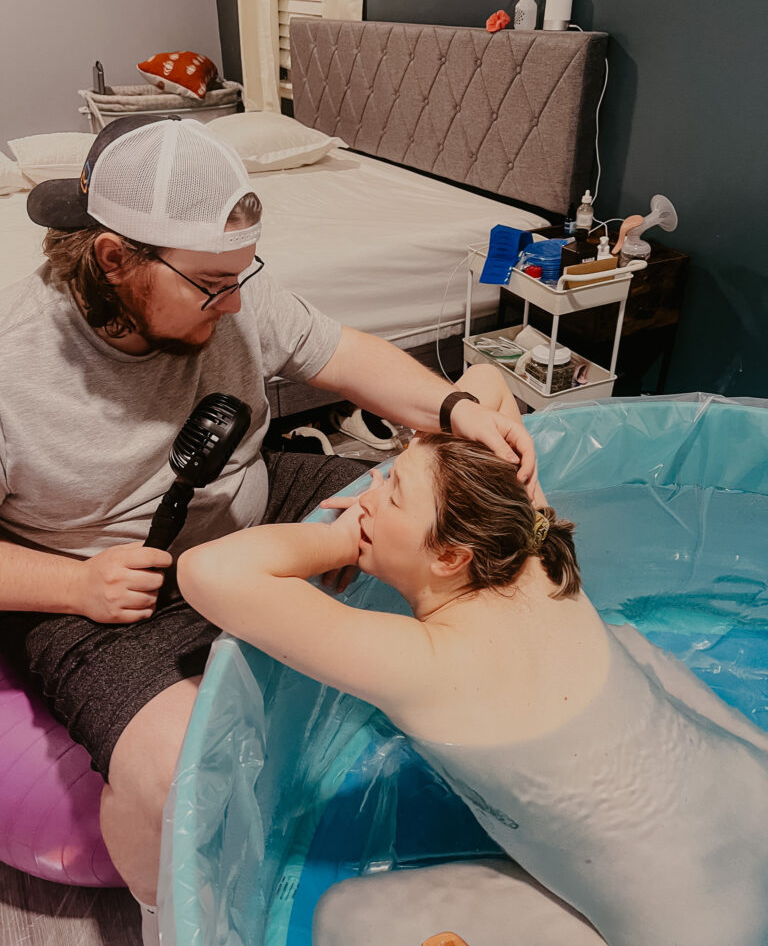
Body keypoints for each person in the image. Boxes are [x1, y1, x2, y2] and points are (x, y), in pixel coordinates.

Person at [0, 115, 537, 940]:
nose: (238, 301)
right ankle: (165, 916)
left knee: (455, 519)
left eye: (242, 272)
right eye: (212, 284)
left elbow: (346, 353)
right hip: (105, 591)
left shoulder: (229, 293)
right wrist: (71, 583)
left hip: (254, 497)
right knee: (182, 768)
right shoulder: (14, 363)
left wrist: (460, 407)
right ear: (114, 259)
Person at [178, 364, 768, 946]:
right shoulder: (534, 545)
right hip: (751, 794)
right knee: (629, 645)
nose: (366, 496)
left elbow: (206, 570)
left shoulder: (429, 663)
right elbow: (487, 384)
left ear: (450, 557)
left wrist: (332, 541)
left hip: (692, 931)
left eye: (392, 492)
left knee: (344, 915)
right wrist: (419, 471)